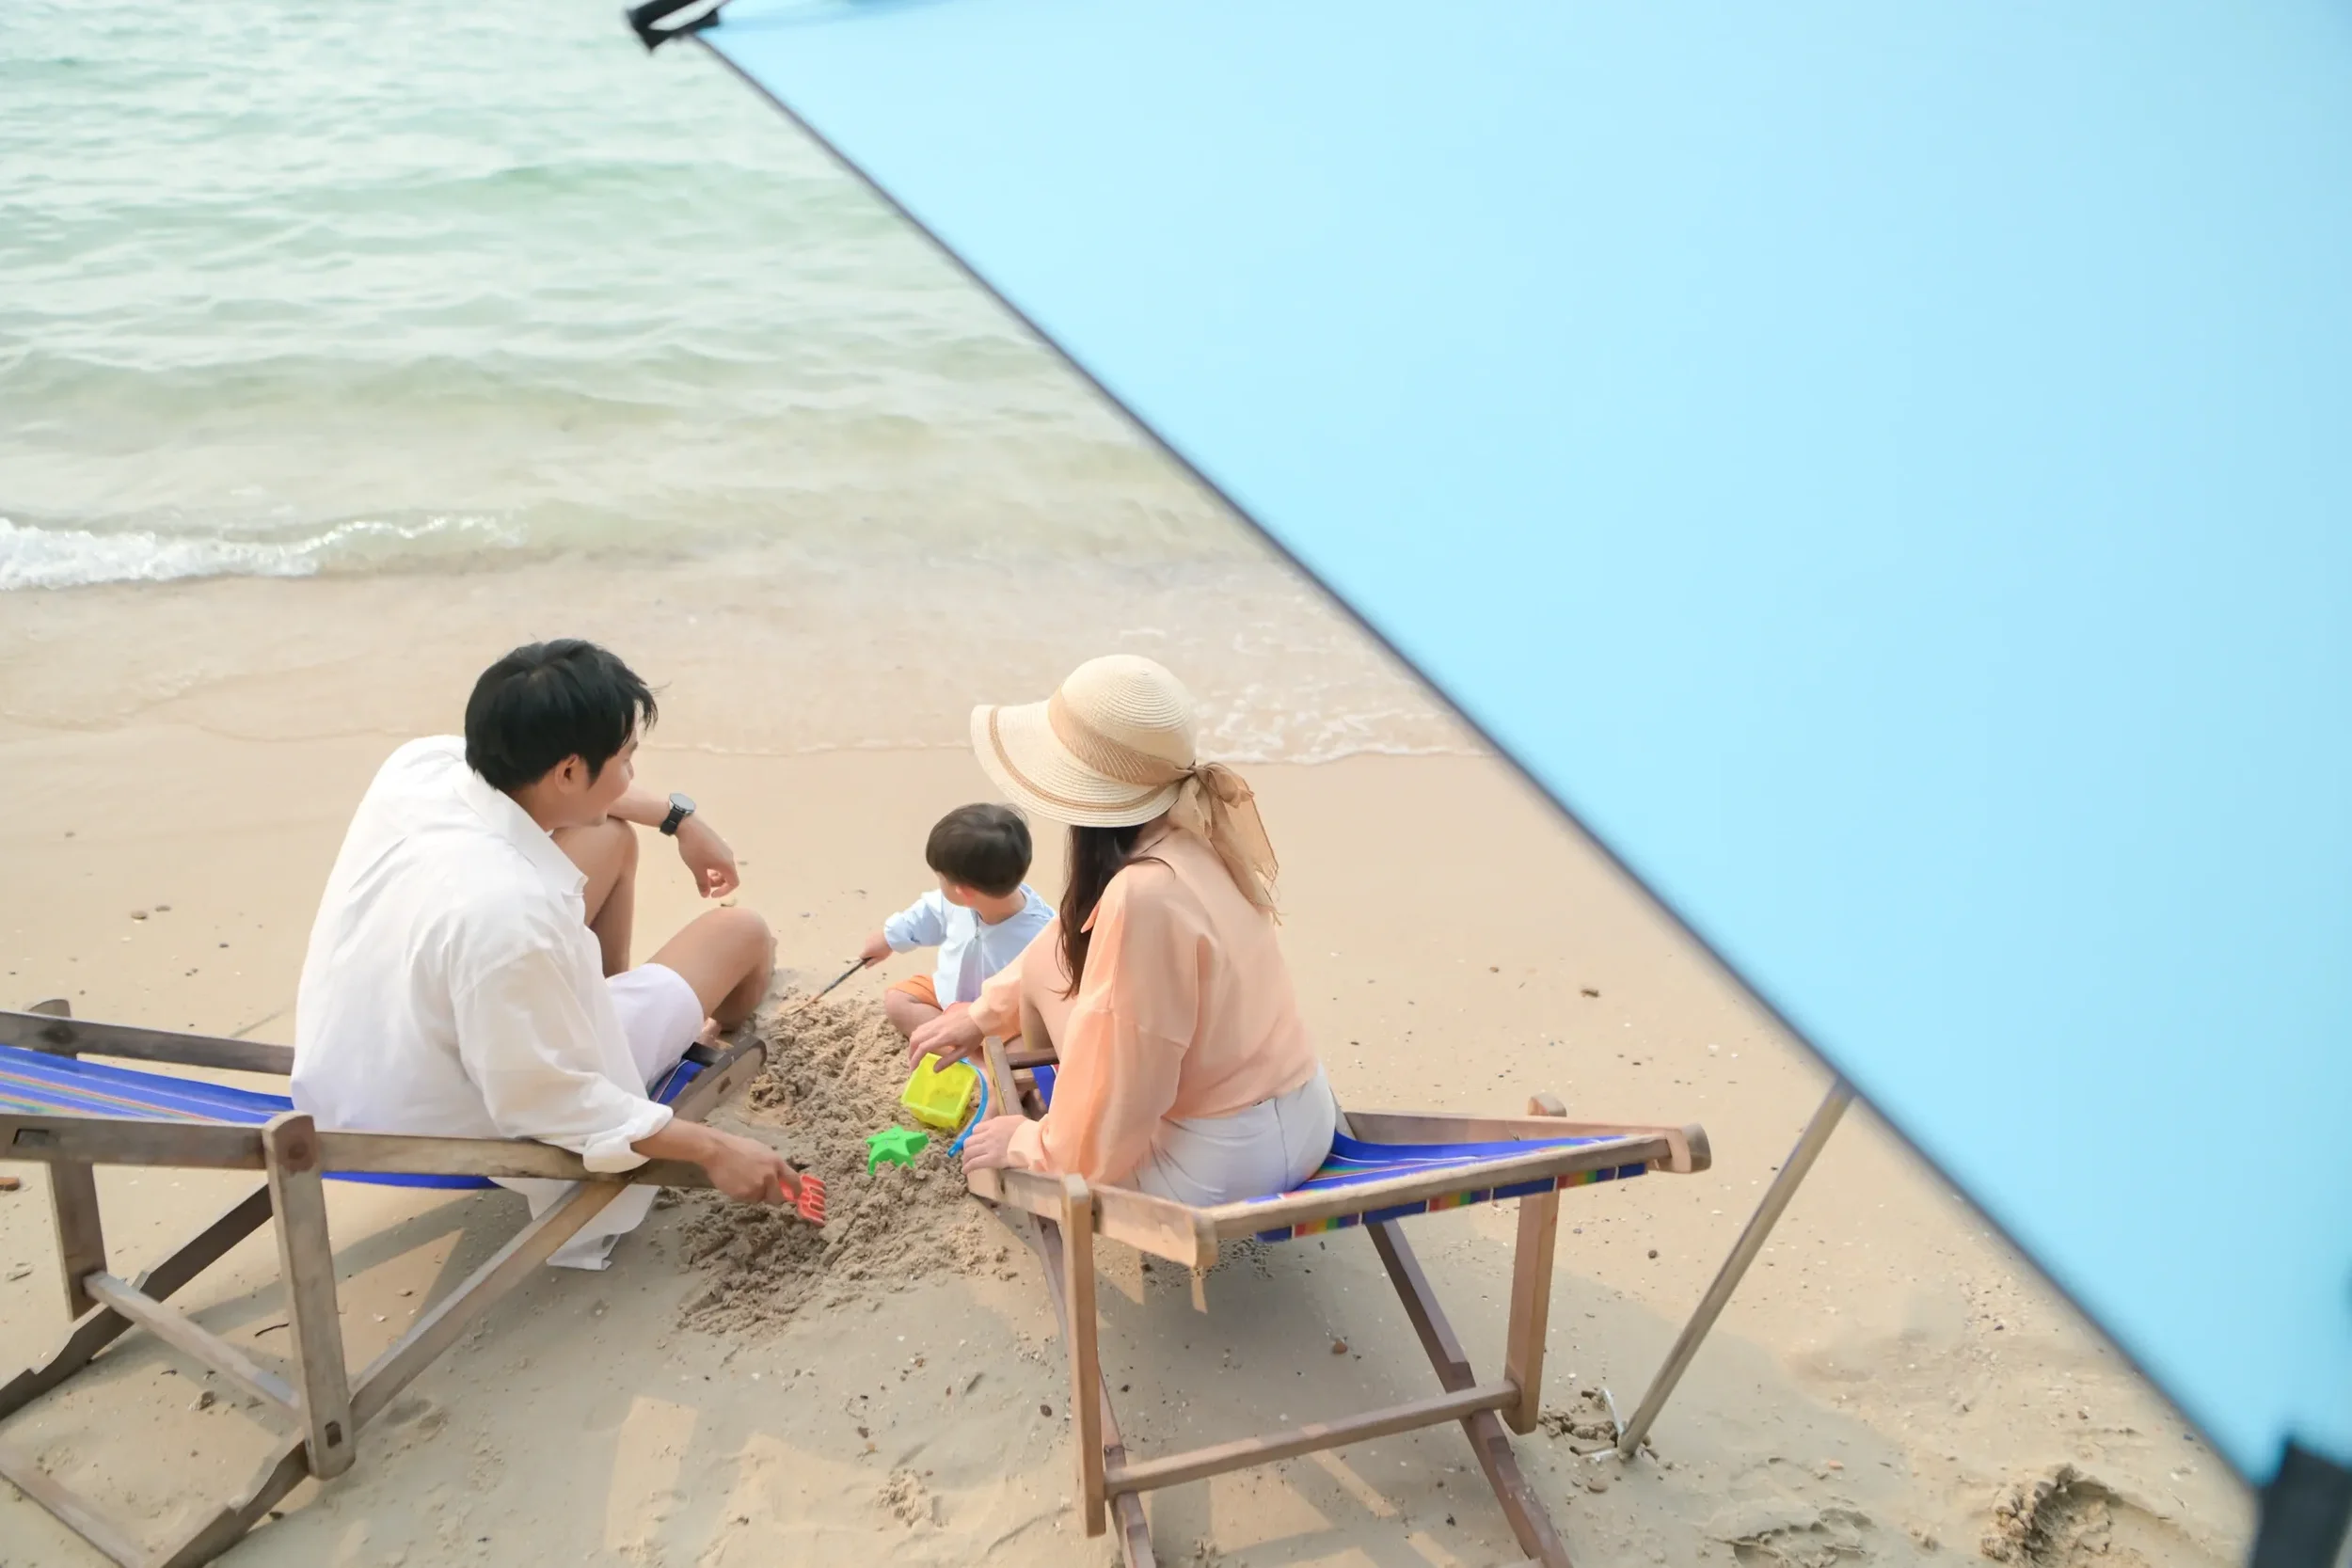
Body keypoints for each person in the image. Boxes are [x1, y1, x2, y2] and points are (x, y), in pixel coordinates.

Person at [292, 639, 807, 1269]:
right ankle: (676, 1029)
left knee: (609, 834)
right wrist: (714, 1148)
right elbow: (554, 1103)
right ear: (567, 771)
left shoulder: (420, 767)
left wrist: (680, 820)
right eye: (626, 759)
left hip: (352, 1068)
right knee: (745, 934)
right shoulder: (509, 914)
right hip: (437, 1114)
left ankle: (612, 996)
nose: (632, 776)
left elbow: (590, 803)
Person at [909, 655, 1338, 1205]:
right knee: (1048, 963)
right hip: (1306, 1117)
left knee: (1003, 1155)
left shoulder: (1141, 897)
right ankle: (1043, 1100)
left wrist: (1029, 1143)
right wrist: (982, 1013)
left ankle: (1041, 1108)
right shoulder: (1198, 837)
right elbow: (1063, 950)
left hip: (1221, 1167)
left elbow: (1124, 1083)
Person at [857, 803, 1056, 1041]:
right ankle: (963, 1052)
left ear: (964, 892)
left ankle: (974, 1059)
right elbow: (927, 913)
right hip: (947, 998)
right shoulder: (954, 903)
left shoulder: (1041, 934)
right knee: (898, 999)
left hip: (999, 1021)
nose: (939, 884)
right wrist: (889, 938)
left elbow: (1044, 994)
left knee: (1024, 1046)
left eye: (941, 878)